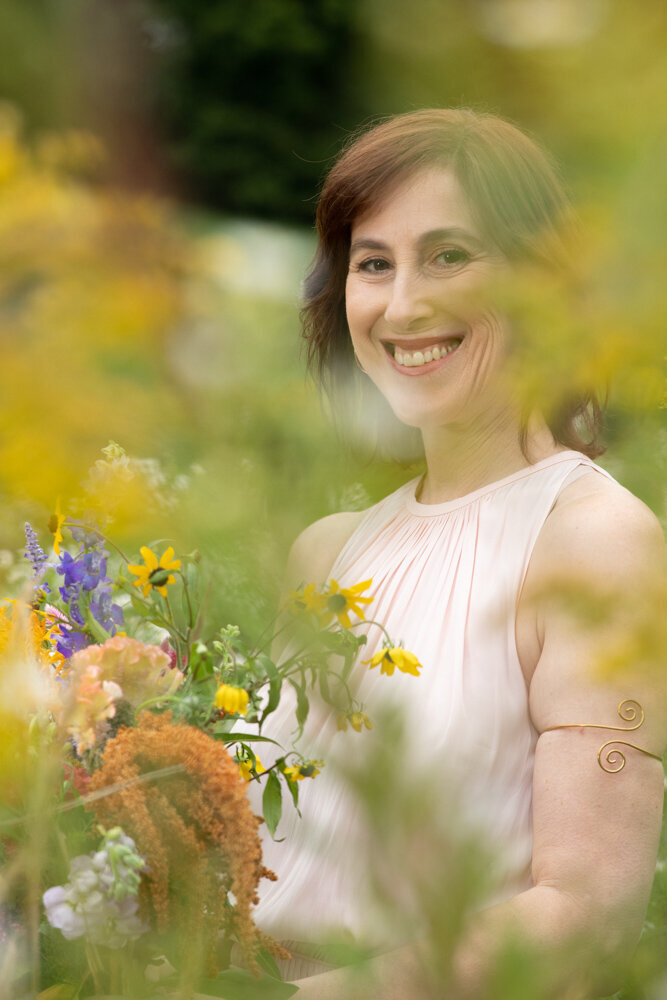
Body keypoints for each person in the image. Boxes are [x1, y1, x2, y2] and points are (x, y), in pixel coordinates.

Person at [251, 109, 666, 999]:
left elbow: (582, 915)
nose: (404, 306)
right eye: (373, 264)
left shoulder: (593, 540)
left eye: (450, 256)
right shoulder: (324, 554)